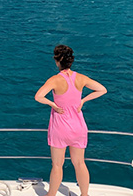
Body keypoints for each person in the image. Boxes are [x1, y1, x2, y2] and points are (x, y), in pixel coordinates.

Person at [35, 45, 107, 196]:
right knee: (80, 163)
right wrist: (83, 101)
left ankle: (51, 194)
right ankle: (84, 194)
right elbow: (102, 89)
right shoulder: (81, 78)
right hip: (78, 128)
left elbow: (38, 96)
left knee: (57, 165)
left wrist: (52, 104)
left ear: (57, 61)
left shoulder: (54, 80)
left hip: (60, 128)